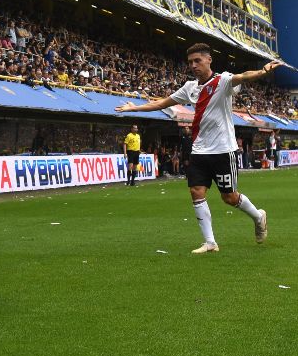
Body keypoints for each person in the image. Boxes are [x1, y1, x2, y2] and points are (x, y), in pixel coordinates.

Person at [116, 43, 277, 253]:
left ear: (209, 60)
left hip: (223, 150)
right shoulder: (190, 87)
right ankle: (210, 242)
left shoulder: (223, 81)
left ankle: (258, 216)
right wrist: (135, 107)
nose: (193, 65)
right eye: (190, 62)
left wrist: (262, 71)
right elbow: (162, 103)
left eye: (197, 61)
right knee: (196, 191)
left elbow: (244, 76)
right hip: (200, 150)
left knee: (229, 197)